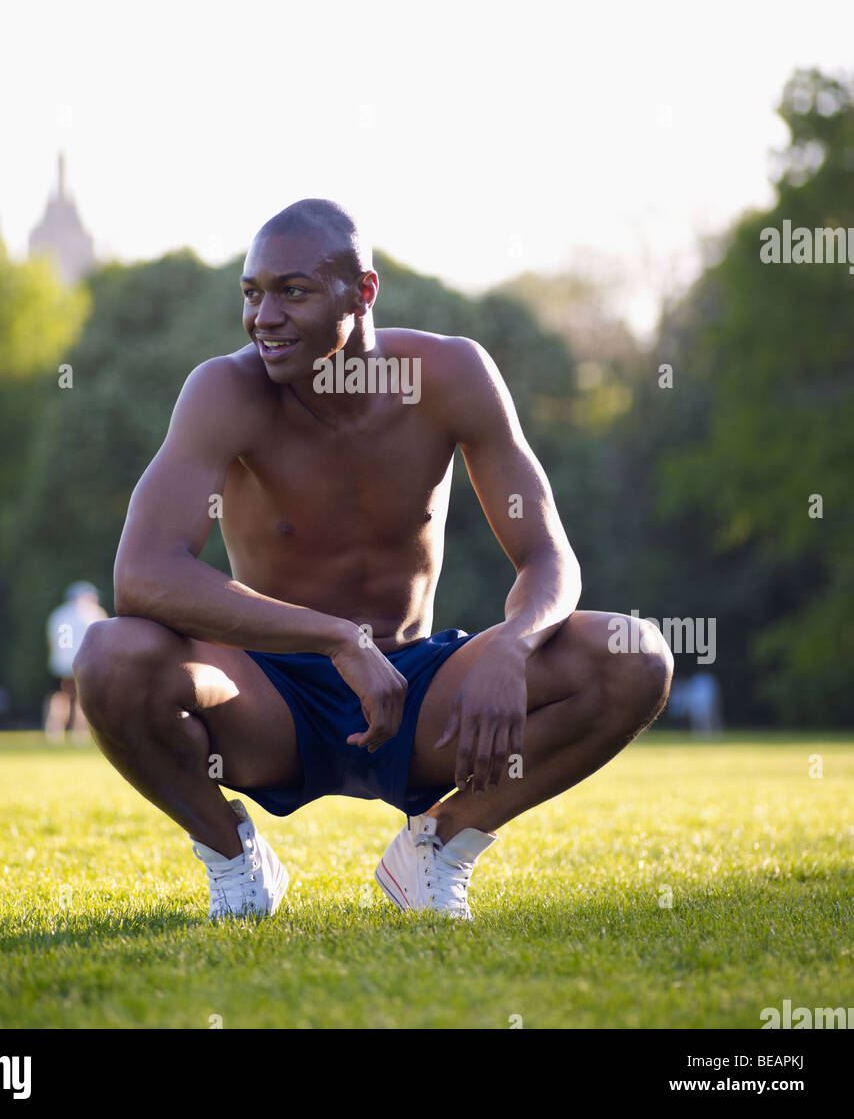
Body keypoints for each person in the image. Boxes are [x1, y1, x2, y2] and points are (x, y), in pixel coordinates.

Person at [74, 200, 673, 920]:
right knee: (108, 655)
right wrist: (334, 637)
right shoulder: (223, 391)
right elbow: (141, 574)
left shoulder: (451, 375)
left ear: (362, 293)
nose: (263, 316)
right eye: (251, 293)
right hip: (268, 695)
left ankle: (438, 849)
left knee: (634, 655)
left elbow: (549, 556)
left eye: (291, 291)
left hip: (417, 693)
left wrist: (514, 646)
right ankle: (235, 863)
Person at [45, 582, 107, 742]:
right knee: (81, 698)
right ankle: (80, 733)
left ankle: (54, 731)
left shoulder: (58, 614)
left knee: (59, 697)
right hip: (84, 663)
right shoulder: (96, 614)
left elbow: (52, 641)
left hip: (60, 664)